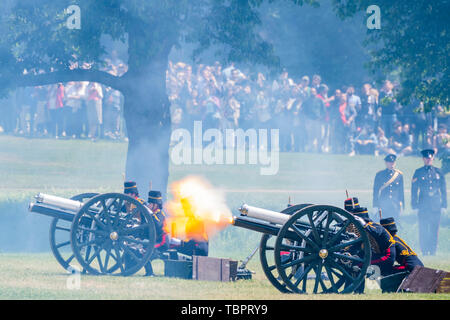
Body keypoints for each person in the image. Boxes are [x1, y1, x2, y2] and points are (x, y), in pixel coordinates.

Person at [411, 149, 447, 256]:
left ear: (433, 159)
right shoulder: (418, 172)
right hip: (423, 205)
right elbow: (414, 190)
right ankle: (425, 250)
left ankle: (433, 251)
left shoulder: (439, 172)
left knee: (434, 229)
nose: (428, 160)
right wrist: (414, 205)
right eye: (426, 158)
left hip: (436, 206)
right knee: (423, 229)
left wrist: (444, 205)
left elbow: (443, 190)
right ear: (423, 159)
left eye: (430, 158)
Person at [372, 154, 405, 221]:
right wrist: (375, 205)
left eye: (393, 162)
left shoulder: (399, 175)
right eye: (390, 162)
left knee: (395, 225)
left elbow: (401, 191)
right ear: (386, 163)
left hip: (395, 205)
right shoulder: (379, 174)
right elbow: (375, 191)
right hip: (383, 205)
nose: (391, 164)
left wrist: (402, 205)